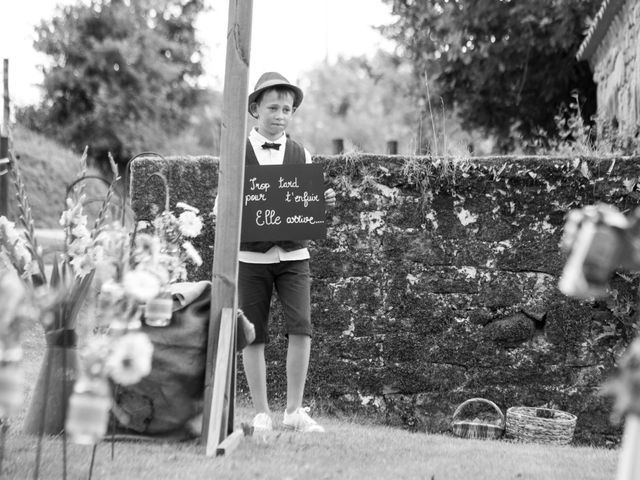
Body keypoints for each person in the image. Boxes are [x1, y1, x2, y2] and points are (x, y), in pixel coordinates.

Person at [239, 72, 336, 433]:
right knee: (252, 333)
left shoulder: (302, 153)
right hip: (250, 258)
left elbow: (308, 203)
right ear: (255, 109)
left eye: (287, 109)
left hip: (295, 257)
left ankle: (294, 410)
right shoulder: (237, 154)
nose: (280, 115)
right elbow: (223, 205)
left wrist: (322, 200)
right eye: (273, 108)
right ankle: (262, 412)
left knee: (302, 328)